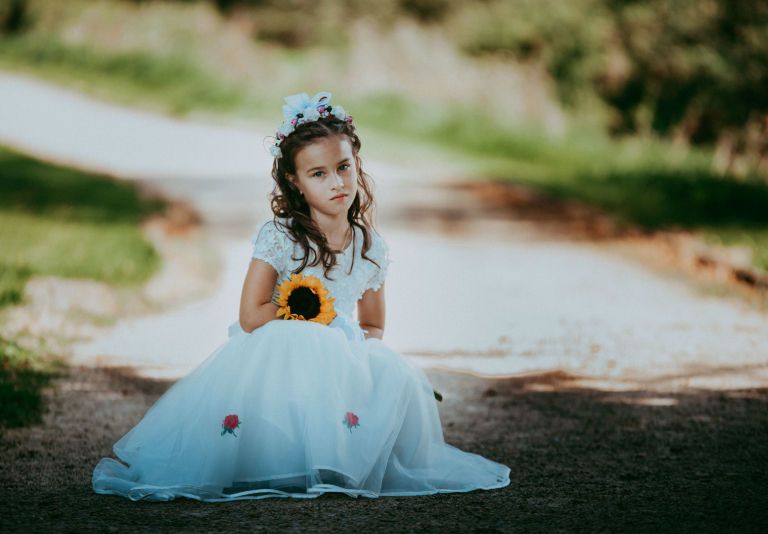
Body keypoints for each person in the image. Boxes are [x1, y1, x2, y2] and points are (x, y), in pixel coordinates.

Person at [91, 91, 511, 502]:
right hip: (277, 351)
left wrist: (354, 358)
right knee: (298, 340)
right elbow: (252, 316)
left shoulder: (369, 248)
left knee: (392, 373)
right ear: (294, 181)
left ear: (356, 164)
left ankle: (339, 459)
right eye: (319, 174)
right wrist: (301, 307)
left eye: (344, 167)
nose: (337, 183)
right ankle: (269, 461)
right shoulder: (280, 237)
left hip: (341, 352)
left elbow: (373, 325)